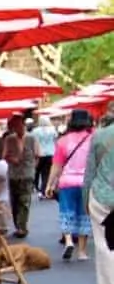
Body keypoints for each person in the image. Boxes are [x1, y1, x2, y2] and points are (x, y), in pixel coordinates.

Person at [45, 108, 94, 261]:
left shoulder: (62, 141)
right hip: (86, 183)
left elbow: (57, 165)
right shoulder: (93, 139)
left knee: (67, 212)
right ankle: (82, 251)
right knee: (84, 215)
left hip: (67, 183)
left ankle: (68, 240)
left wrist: (49, 185)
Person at [83, 101, 114, 284]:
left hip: (102, 194)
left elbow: (90, 172)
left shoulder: (99, 136)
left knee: (104, 243)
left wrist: (85, 199)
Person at [3, 114, 37, 237]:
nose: (16, 128)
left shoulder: (32, 138)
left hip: (27, 174)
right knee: (15, 201)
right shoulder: (9, 139)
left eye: (18, 125)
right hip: (14, 175)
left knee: (25, 201)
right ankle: (18, 225)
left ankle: (22, 227)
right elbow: (5, 155)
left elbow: (38, 154)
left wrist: (32, 168)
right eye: (14, 126)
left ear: (23, 124)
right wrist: (13, 160)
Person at [32, 114, 57, 197]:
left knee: (38, 171)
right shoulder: (52, 130)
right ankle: (45, 189)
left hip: (40, 153)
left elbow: (34, 142)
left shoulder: (35, 131)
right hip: (51, 153)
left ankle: (39, 188)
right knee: (47, 172)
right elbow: (55, 140)